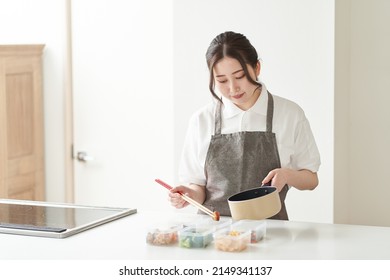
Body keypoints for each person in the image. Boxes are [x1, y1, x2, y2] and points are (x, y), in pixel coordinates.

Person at [169, 31, 320, 220]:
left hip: (272, 234)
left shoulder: (289, 114)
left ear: (257, 67)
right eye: (222, 80)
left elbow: (311, 179)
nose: (233, 88)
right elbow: (198, 187)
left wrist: (287, 175)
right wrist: (189, 195)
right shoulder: (201, 120)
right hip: (215, 235)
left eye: (239, 76)